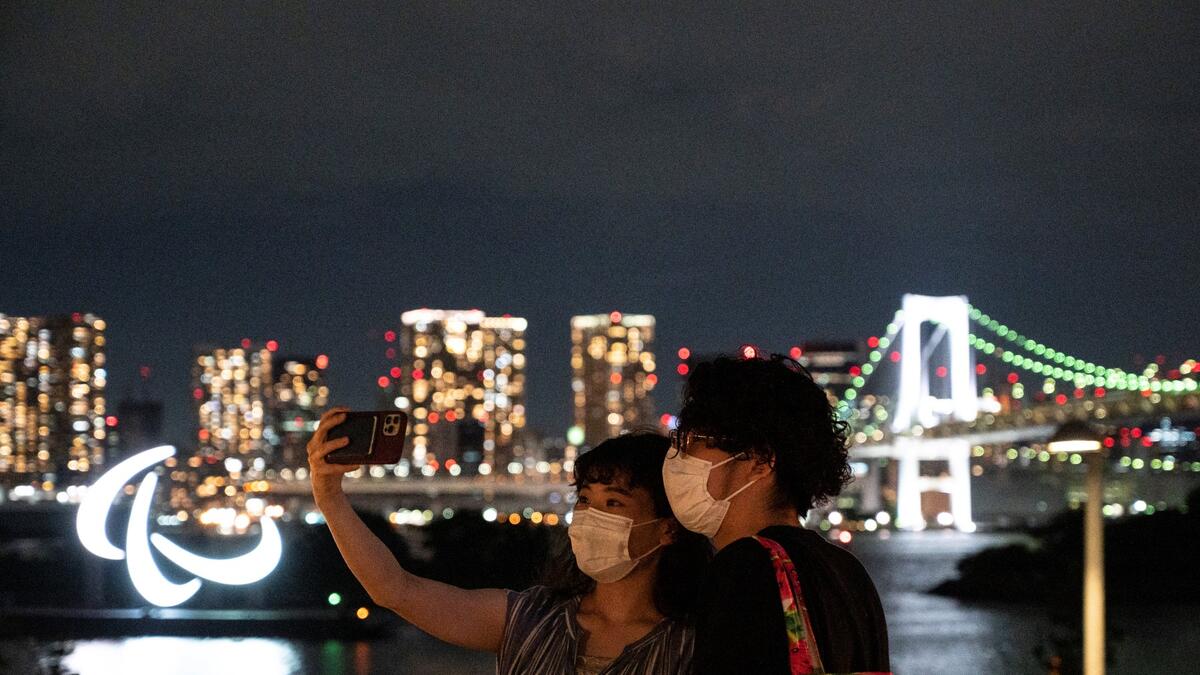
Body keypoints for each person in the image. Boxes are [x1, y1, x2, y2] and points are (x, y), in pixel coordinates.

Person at [308, 410, 709, 675]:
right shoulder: (529, 620)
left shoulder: (695, 645)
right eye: (585, 499)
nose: (590, 516)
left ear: (668, 528)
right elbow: (394, 588)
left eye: (614, 503)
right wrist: (329, 496)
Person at [662, 353, 890, 674]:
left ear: (759, 460)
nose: (677, 457)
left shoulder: (743, 566)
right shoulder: (848, 571)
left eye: (693, 442)